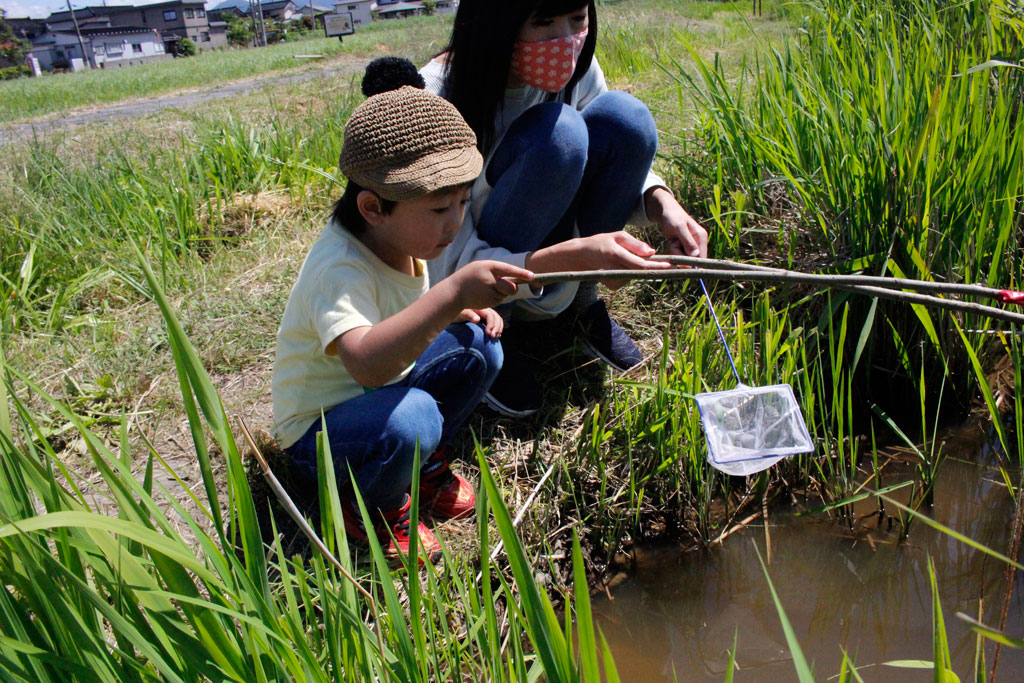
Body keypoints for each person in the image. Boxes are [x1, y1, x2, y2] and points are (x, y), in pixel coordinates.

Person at [271, 85, 534, 564]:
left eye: (461, 202)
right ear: (373, 208)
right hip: (322, 432)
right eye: (438, 209)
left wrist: (454, 310)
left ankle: (421, 464)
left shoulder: (403, 240)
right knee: (415, 418)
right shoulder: (340, 269)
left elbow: (397, 322)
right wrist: (451, 293)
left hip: (379, 397)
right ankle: (367, 503)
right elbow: (367, 365)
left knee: (480, 345)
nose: (455, 222)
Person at [420, 0, 710, 417]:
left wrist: (661, 202)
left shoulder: (577, 69)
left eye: (577, 19)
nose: (565, 41)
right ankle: (491, 327)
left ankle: (580, 303)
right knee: (560, 135)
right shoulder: (435, 97)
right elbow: (438, 254)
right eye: (543, 22)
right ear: (494, 23)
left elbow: (615, 151)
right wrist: (572, 255)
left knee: (626, 118)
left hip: (551, 248)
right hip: (471, 271)